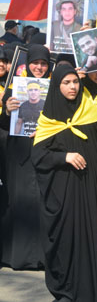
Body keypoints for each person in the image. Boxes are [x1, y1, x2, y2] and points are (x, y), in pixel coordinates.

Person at [32, 65, 97, 302]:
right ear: (56, 86)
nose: (72, 87)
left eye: (75, 82)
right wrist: (64, 157)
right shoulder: (48, 120)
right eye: (66, 83)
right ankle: (65, 293)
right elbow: (38, 157)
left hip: (93, 189)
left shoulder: (91, 112)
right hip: (64, 195)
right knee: (66, 240)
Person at [0, 45, 51, 270]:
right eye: (35, 63)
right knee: (18, 201)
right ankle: (17, 256)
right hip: (19, 155)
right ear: (27, 64)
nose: (39, 67)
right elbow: (4, 126)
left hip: (45, 152)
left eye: (43, 63)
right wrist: (7, 110)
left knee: (42, 202)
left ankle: (41, 257)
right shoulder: (13, 90)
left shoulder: (54, 89)